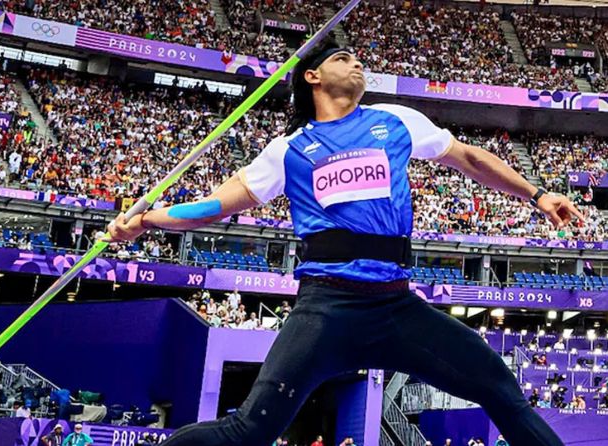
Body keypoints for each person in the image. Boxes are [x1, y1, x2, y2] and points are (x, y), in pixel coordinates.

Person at [107, 40, 579, 446]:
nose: (358, 65)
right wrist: (147, 220)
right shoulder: (288, 149)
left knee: (499, 387)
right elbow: (216, 205)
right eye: (344, 58)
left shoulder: (395, 120)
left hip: (396, 308)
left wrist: (537, 194)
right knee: (249, 431)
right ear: (312, 75)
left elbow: (470, 158)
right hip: (326, 310)